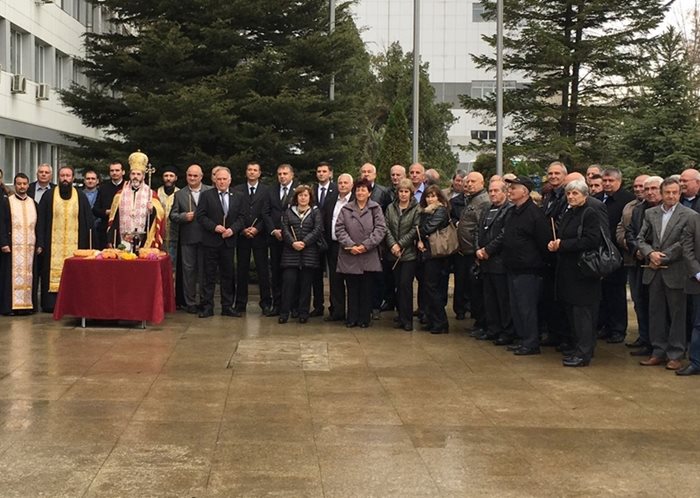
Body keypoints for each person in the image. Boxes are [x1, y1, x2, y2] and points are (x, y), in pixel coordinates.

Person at [636, 177, 696, 370]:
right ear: (661, 194)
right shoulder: (650, 213)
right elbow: (640, 238)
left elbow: (685, 243)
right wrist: (650, 253)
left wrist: (664, 256)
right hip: (654, 271)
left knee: (677, 314)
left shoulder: (689, 215)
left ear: (680, 193)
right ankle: (658, 351)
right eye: (667, 192)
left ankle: (676, 353)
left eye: (674, 192)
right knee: (656, 313)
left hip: (676, 271)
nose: (671, 196)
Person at [547, 179, 602, 367]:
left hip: (583, 271)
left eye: (575, 193)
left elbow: (592, 240)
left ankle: (584, 352)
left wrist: (563, 244)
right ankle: (577, 346)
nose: (571, 197)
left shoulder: (590, 213)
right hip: (568, 271)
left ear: (585, 195)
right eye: (568, 194)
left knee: (583, 314)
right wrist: (556, 244)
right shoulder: (570, 212)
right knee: (572, 312)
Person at [502, 176, 551, 355]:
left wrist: (537, 263)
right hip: (512, 266)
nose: (510, 190)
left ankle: (531, 342)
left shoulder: (535, 214)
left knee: (527, 307)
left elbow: (543, 242)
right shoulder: (512, 212)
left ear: (525, 191)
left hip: (529, 269)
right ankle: (522, 338)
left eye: (514, 188)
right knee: (516, 307)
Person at [35, 166, 94, 312]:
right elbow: (41, 221)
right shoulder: (48, 196)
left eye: (68, 176)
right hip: (51, 245)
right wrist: (41, 242)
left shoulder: (80, 196)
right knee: (49, 273)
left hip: (75, 245)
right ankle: (51, 305)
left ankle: (72, 303)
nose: (65, 179)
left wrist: (89, 246)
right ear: (58, 177)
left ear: (73, 178)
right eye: (62, 176)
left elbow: (88, 223)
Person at [335, 178, 386, 328]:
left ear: (369, 192)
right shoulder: (346, 208)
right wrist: (351, 245)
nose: (360, 192)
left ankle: (364, 319)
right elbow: (339, 229)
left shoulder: (375, 208)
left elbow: (380, 229)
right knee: (352, 288)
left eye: (363, 189)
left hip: (368, 254)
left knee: (366, 288)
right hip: (350, 254)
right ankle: (351, 318)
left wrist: (365, 245)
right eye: (358, 189)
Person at [195, 166, 245, 318]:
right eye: (219, 179)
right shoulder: (206, 195)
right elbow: (201, 216)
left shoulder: (238, 195)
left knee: (228, 275)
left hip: (228, 243)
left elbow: (242, 218)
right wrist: (214, 227)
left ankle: (227, 306)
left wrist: (233, 230)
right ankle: (207, 306)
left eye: (224, 179)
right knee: (209, 276)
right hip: (211, 241)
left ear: (230, 180)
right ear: (214, 180)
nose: (222, 182)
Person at [595, 168, 635, 343]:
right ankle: (605, 326)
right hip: (598, 252)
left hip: (617, 253)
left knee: (616, 292)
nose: (607, 184)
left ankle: (618, 329)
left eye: (610, 181)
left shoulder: (627, 200)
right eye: (604, 180)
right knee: (602, 292)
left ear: (619, 181)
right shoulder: (596, 199)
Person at [624, 176, 662, 356]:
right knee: (640, 301)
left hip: (661, 263)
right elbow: (630, 232)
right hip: (639, 261)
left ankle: (660, 343)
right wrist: (637, 250)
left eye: (654, 188)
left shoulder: (667, 210)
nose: (650, 192)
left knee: (658, 305)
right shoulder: (638, 210)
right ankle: (645, 339)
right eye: (647, 189)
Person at [475, 179, 514, 344]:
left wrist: (488, 250)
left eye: (496, 191)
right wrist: (478, 248)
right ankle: (493, 329)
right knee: (489, 299)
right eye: (490, 191)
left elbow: (504, 234)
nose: (492, 194)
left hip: (499, 261)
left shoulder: (509, 210)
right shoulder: (486, 208)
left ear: (505, 192)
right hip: (485, 262)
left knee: (502, 300)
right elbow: (478, 230)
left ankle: (506, 332)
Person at [169, 164, 212, 314]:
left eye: (195, 176)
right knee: (188, 271)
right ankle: (190, 302)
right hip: (188, 238)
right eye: (190, 175)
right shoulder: (180, 194)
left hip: (207, 238)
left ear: (201, 176)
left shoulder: (209, 191)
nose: (192, 178)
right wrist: (183, 216)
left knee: (204, 271)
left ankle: (204, 301)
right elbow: (172, 215)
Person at [279, 185, 324, 324]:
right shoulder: (288, 212)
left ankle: (303, 312)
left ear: (310, 198)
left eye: (306, 195)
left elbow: (317, 229)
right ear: (296, 197)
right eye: (300, 195)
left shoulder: (315, 212)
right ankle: (284, 312)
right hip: (290, 253)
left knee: (306, 285)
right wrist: (293, 243)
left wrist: (304, 242)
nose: (303, 198)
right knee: (288, 284)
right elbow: (284, 229)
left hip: (309, 253)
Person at [233, 162, 273, 314]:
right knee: (241, 270)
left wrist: (257, 228)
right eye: (249, 169)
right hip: (242, 235)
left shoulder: (266, 191)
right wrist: (242, 229)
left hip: (260, 236)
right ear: (246, 172)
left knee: (263, 270)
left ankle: (266, 302)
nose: (252, 172)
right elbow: (234, 212)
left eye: (255, 170)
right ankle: (240, 303)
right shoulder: (237, 190)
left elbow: (267, 213)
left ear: (259, 173)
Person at [107, 152, 165, 250]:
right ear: (129, 175)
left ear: (143, 176)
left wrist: (153, 210)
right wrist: (111, 238)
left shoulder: (151, 194)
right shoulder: (120, 194)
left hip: (143, 238)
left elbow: (161, 214)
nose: (135, 176)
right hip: (123, 237)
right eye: (133, 174)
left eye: (139, 174)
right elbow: (114, 217)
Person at [384, 178, 420, 331]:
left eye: (406, 192)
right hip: (393, 254)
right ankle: (400, 316)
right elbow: (385, 227)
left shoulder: (416, 209)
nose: (403, 194)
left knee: (406, 285)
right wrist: (392, 244)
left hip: (408, 254)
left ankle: (407, 319)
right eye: (401, 191)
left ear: (411, 193)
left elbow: (415, 229)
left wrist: (400, 244)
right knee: (397, 285)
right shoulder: (390, 208)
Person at [0, 173, 38, 315]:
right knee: (10, 277)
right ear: (15, 185)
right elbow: (2, 224)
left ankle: (27, 306)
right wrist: (3, 242)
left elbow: (38, 226)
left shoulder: (33, 203)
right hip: (12, 247)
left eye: (24, 184)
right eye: (19, 184)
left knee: (29, 276)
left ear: (28, 185)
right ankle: (9, 307)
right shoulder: (7, 202)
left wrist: (39, 244)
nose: (22, 186)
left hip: (29, 248)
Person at [416, 185, 451, 334]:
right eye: (428, 196)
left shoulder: (440, 210)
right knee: (427, 288)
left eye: (433, 196)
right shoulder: (425, 211)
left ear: (439, 197)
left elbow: (426, 228)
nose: (430, 199)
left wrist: (419, 233)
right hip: (427, 253)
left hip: (437, 255)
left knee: (433, 288)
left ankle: (441, 321)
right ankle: (432, 319)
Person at [456, 171, 490, 326]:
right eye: (468, 181)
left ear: (482, 184)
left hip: (474, 252)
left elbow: (480, 228)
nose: (469, 184)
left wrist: (477, 250)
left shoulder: (482, 201)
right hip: (465, 251)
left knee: (477, 291)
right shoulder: (471, 199)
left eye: (473, 181)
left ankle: (481, 322)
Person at [322, 173, 353, 322]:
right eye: (340, 183)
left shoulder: (356, 200)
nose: (342, 185)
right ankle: (337, 311)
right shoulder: (331, 200)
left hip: (351, 246)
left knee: (351, 280)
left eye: (346, 183)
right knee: (335, 280)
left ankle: (353, 312)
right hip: (333, 245)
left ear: (351, 185)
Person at [267, 164, 298, 316]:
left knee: (292, 273)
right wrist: (273, 230)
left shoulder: (299, 190)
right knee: (276, 271)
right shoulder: (271, 190)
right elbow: (265, 212)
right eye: (279, 174)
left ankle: (293, 305)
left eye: (285, 173)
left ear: (292, 175)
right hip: (275, 237)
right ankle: (277, 304)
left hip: (293, 238)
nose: (282, 176)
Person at [311, 161, 336, 317]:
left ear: (330, 173)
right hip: (314, 238)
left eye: (324, 171)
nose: (321, 173)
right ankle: (318, 306)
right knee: (315, 274)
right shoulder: (311, 190)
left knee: (334, 274)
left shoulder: (335, 190)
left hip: (332, 239)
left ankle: (334, 306)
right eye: (319, 171)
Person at [680, 212, 700, 375]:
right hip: (698, 280)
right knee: (698, 324)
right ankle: (696, 362)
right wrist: (697, 273)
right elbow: (687, 248)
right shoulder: (694, 219)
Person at [93, 161, 125, 249]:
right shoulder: (103, 188)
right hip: (105, 228)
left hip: (123, 229)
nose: (114, 173)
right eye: (112, 170)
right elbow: (95, 209)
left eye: (117, 170)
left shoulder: (128, 187)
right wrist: (107, 212)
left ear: (123, 172)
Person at [157, 166, 180, 258]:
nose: (168, 178)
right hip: (160, 235)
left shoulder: (180, 193)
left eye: (171, 176)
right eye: (166, 176)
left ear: (176, 178)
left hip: (175, 234)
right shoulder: (157, 192)